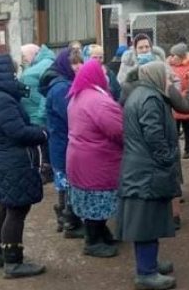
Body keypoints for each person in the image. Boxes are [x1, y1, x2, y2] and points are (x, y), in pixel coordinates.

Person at [0, 53, 48, 279]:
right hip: (13, 160)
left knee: (6, 206)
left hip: (2, 158)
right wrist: (43, 133)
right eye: (13, 71)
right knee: (17, 209)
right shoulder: (1, 99)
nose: (15, 75)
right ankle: (13, 262)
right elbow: (17, 132)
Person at [117, 61, 179, 290]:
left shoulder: (138, 93)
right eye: (167, 77)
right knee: (146, 223)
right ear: (157, 76)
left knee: (146, 221)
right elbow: (153, 133)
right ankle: (146, 273)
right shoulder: (151, 99)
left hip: (139, 167)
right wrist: (167, 157)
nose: (169, 81)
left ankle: (149, 263)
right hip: (146, 170)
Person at [66, 61, 123, 258]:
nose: (106, 77)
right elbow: (119, 130)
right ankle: (92, 241)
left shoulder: (78, 96)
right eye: (103, 73)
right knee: (97, 202)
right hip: (97, 161)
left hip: (81, 158)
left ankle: (101, 234)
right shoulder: (98, 101)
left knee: (90, 200)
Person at [41, 48, 85, 237]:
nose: (78, 66)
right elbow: (70, 115)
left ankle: (64, 217)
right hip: (63, 144)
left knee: (65, 182)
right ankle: (69, 222)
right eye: (74, 63)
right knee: (67, 182)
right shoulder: (61, 88)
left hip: (63, 143)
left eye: (80, 62)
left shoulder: (66, 83)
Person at [19, 44, 55, 183]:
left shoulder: (45, 64)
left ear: (32, 53)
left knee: (41, 144)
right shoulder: (37, 64)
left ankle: (45, 171)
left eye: (24, 55)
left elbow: (46, 91)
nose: (23, 59)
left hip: (37, 115)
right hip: (32, 113)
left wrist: (41, 114)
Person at [168, 43, 189, 160]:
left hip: (186, 101)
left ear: (181, 57)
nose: (172, 58)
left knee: (187, 128)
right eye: (171, 55)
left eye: (174, 56)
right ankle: (174, 150)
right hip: (173, 102)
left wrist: (187, 90)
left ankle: (188, 149)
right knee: (174, 129)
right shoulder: (169, 66)